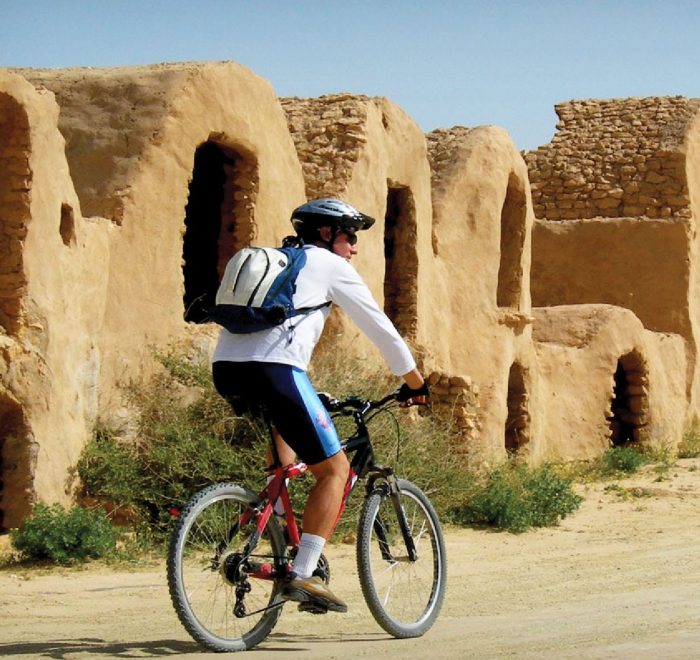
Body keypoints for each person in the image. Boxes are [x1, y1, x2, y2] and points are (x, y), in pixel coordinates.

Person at [211, 197, 429, 613]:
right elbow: (380, 328)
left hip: (226, 369)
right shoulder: (331, 266)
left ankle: (274, 514)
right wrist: (415, 383)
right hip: (277, 371)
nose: (355, 247)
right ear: (327, 234)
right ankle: (304, 572)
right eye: (350, 236)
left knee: (286, 437)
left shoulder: (277, 259)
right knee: (335, 470)